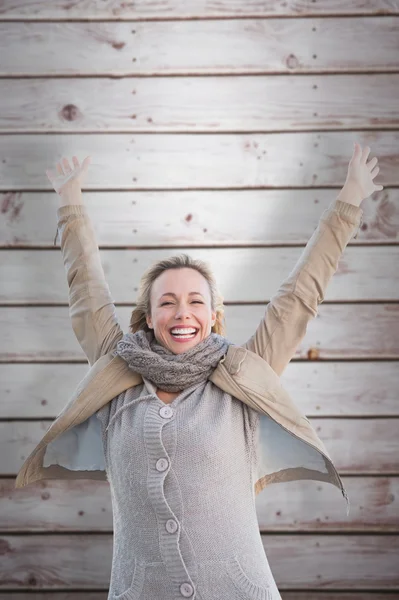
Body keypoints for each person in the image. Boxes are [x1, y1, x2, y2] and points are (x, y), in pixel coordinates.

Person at [44, 144, 382, 600]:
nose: (182, 312)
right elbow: (86, 289)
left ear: (213, 314)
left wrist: (350, 199)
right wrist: (70, 201)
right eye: (167, 301)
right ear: (147, 315)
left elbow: (299, 296)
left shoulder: (241, 375)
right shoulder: (116, 370)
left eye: (196, 301)